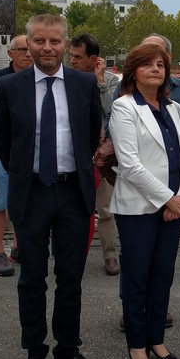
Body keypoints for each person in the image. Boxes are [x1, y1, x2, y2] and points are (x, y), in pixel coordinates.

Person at [0, 14, 107, 359]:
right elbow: (3, 142)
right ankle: (34, 355)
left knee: (70, 278)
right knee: (31, 279)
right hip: (32, 193)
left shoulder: (84, 84)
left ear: (65, 44)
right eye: (39, 41)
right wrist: (27, 174)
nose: (47, 48)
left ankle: (68, 353)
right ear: (27, 44)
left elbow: (90, 134)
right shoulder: (9, 86)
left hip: (73, 193)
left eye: (54, 41)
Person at [109, 43, 180, 359]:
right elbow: (130, 165)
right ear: (133, 72)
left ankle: (157, 339)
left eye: (160, 64)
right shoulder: (124, 107)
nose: (156, 69)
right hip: (138, 208)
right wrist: (168, 198)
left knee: (163, 275)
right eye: (147, 65)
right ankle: (137, 345)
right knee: (137, 277)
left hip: (173, 205)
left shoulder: (176, 108)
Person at [0, 35, 33, 276]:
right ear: (10, 53)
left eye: (30, 49)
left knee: (25, 202)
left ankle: (19, 247)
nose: (28, 54)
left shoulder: (40, 78)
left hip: (29, 149)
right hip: (0, 149)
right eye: (21, 49)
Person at [69, 32, 120, 276]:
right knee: (75, 209)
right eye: (71, 56)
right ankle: (74, 255)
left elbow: (113, 113)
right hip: (75, 153)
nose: (72, 61)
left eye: (78, 57)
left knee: (106, 209)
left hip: (103, 155)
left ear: (94, 59)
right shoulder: (67, 80)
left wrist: (99, 83)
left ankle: (110, 255)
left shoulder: (111, 82)